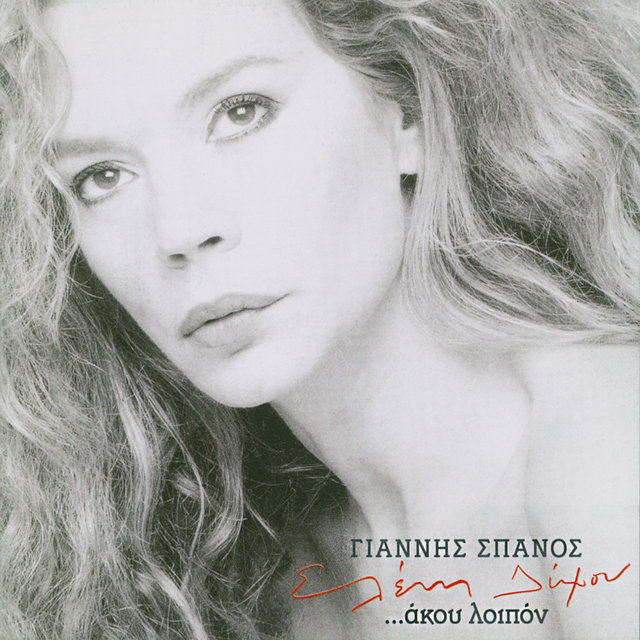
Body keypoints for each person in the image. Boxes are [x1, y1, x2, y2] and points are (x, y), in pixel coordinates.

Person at [0, 0, 638, 638]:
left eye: (241, 112)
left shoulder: (609, 460)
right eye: (103, 177)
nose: (180, 230)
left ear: (407, 110)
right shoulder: (246, 569)